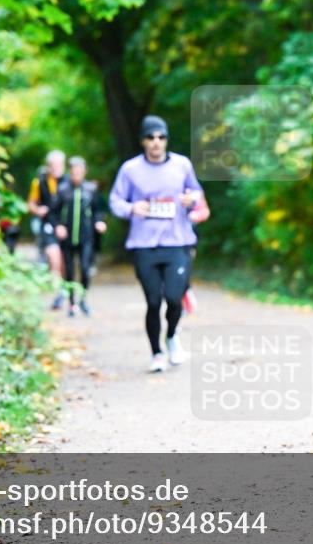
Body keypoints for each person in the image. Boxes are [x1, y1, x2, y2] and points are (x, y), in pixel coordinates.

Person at [109, 115, 207, 373]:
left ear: (166, 140)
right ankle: (156, 353)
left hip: (177, 242)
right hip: (144, 244)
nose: (156, 142)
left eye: (161, 137)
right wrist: (132, 208)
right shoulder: (130, 169)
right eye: (150, 137)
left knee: (173, 298)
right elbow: (115, 201)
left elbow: (196, 192)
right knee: (153, 302)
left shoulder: (181, 165)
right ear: (143, 141)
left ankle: (172, 336)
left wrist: (191, 200)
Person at [52, 156, 107, 316]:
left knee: (85, 268)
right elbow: (53, 212)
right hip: (67, 238)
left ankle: (83, 300)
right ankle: (71, 304)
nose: (77, 174)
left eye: (79, 171)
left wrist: (100, 222)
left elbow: (98, 210)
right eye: (74, 171)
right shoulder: (63, 189)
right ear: (70, 172)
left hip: (86, 237)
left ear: (84, 172)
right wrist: (58, 226)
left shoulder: (91, 189)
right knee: (69, 271)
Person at [28, 150, 67, 309]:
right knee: (54, 258)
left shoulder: (68, 182)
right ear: (48, 166)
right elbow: (31, 203)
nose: (56, 168)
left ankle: (65, 289)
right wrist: (38, 210)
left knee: (64, 262)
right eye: (53, 165)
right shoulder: (40, 182)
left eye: (59, 164)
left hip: (65, 226)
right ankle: (58, 293)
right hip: (48, 226)